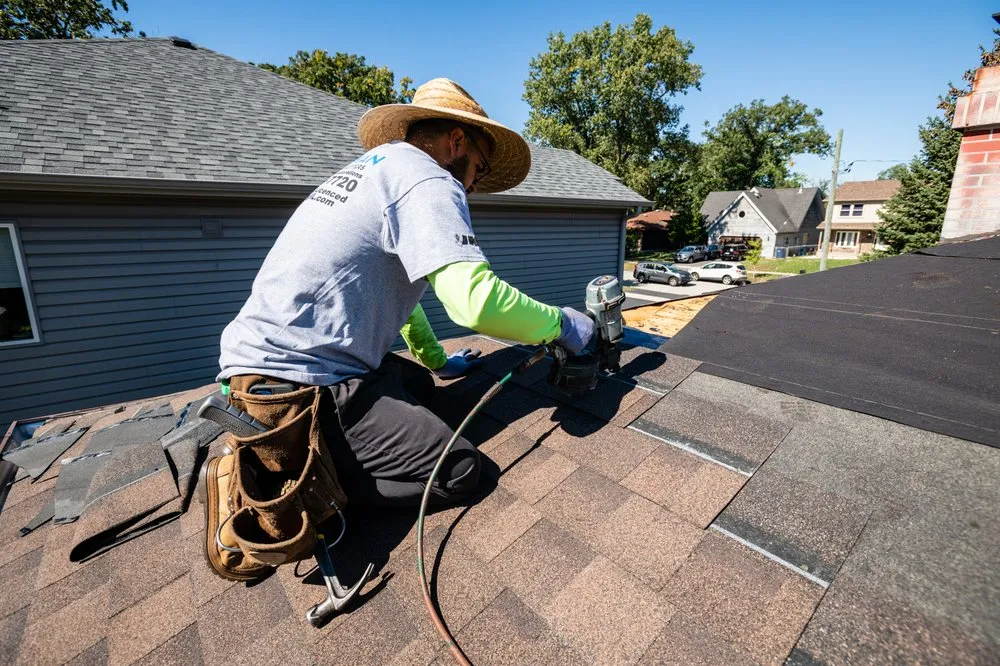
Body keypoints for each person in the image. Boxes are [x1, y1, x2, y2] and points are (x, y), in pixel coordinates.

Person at [215, 78, 594, 508]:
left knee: (419, 384)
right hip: (297, 388)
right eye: (480, 169)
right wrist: (562, 325)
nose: (473, 184)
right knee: (462, 471)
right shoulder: (429, 178)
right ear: (456, 142)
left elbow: (398, 299)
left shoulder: (379, 168)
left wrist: (437, 362)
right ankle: (308, 487)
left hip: (259, 371)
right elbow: (475, 304)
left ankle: (306, 449)